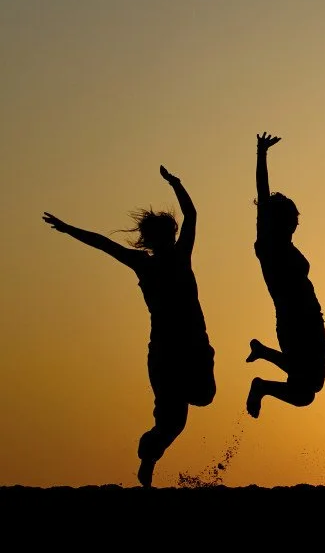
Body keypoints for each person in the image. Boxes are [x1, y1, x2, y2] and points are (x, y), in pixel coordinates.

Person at [42, 166, 216, 488]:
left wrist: (176, 184)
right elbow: (102, 244)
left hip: (193, 346)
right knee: (172, 424)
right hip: (165, 352)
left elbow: (191, 214)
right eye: (158, 237)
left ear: (171, 237)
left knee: (205, 397)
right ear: (150, 240)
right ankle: (149, 455)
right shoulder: (143, 264)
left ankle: (153, 441)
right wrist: (68, 229)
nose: (164, 241)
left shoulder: (181, 257)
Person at [245, 132, 325, 418]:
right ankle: (262, 369)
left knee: (306, 392)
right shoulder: (267, 246)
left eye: (297, 219)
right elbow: (263, 195)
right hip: (293, 320)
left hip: (312, 316)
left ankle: (263, 370)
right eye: (292, 218)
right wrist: (261, 154)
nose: (296, 222)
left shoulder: (288, 246)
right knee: (310, 383)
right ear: (279, 220)